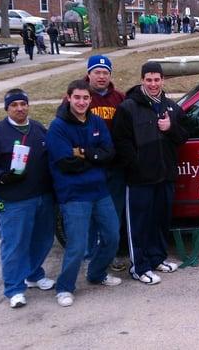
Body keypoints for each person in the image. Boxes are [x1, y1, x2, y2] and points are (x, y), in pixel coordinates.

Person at [0, 89, 55, 309]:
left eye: (23, 104)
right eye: (14, 105)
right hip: (14, 200)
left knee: (43, 239)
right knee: (15, 244)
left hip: (43, 196)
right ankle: (15, 288)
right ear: (7, 108)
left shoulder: (37, 128)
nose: (20, 108)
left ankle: (34, 275)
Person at [47, 79, 122, 307]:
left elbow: (109, 153)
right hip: (74, 195)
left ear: (90, 100)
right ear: (68, 97)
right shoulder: (58, 127)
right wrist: (94, 157)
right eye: (77, 97)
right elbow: (66, 163)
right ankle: (65, 287)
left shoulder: (97, 122)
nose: (81, 102)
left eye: (85, 98)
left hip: (100, 190)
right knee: (77, 246)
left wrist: (83, 153)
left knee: (112, 237)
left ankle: (97, 274)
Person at [112, 61, 188, 285]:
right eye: (149, 80)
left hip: (165, 176)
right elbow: (121, 142)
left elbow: (183, 136)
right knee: (139, 224)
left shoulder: (171, 107)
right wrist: (136, 165)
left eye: (157, 79)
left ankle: (157, 259)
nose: (153, 84)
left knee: (160, 221)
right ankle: (139, 267)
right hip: (140, 180)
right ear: (142, 80)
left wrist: (170, 128)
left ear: (163, 80)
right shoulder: (128, 107)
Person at [84, 55, 127, 271]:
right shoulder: (80, 97)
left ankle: (114, 252)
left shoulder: (119, 98)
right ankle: (91, 253)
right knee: (90, 213)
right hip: (89, 168)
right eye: (97, 72)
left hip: (115, 167)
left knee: (114, 213)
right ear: (89, 74)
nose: (101, 76)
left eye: (105, 72)